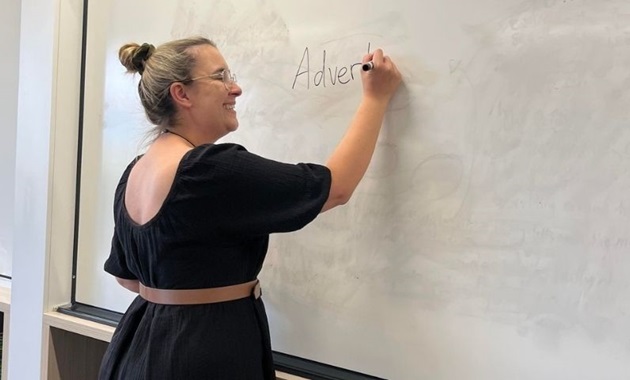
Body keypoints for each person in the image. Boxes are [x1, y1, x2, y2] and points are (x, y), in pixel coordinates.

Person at [99, 36, 401, 380]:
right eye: (221, 77)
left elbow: (127, 277)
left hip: (138, 346)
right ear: (181, 94)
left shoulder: (136, 170)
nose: (236, 88)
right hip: (202, 354)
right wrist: (375, 98)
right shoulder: (208, 170)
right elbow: (336, 188)